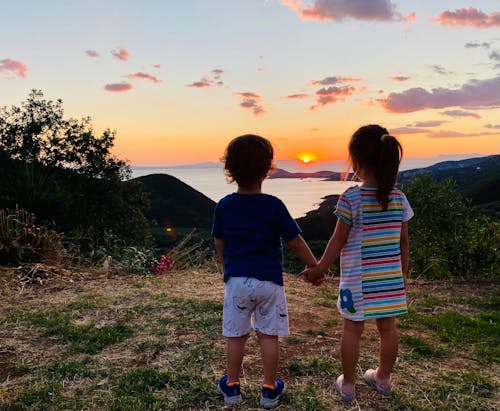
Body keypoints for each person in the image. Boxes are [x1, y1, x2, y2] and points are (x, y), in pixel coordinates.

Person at [302, 125, 413, 402]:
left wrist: (320, 268)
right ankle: (383, 379)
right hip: (390, 279)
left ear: (358, 162)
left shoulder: (351, 198)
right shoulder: (399, 199)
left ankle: (349, 384)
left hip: (357, 281)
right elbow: (403, 243)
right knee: (388, 329)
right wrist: (402, 276)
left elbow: (338, 240)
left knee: (352, 329)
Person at [212, 134, 317, 408]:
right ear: (268, 169)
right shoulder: (273, 205)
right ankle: (269, 389)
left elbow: (219, 241)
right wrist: (314, 265)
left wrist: (227, 267)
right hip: (269, 282)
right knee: (269, 335)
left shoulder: (223, 205)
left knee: (236, 336)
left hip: (237, 282)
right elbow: (294, 241)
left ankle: (232, 388)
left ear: (230, 170)